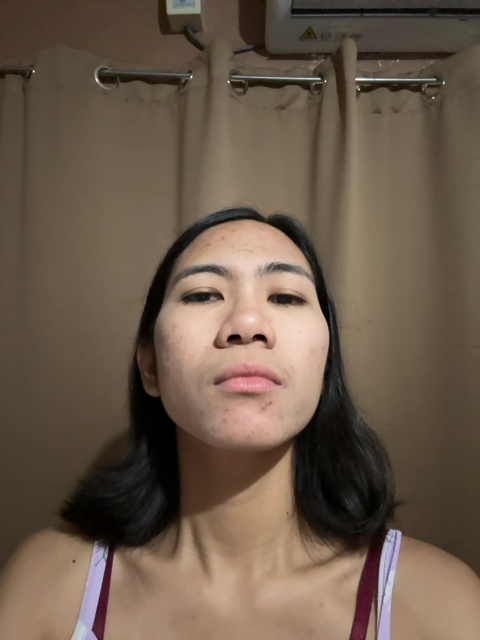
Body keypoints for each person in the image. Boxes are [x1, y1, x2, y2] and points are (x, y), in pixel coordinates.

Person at [0, 207, 479, 639]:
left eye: (286, 297)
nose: (248, 323)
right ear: (150, 367)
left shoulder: (442, 606)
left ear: (325, 364)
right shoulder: (47, 585)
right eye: (203, 294)